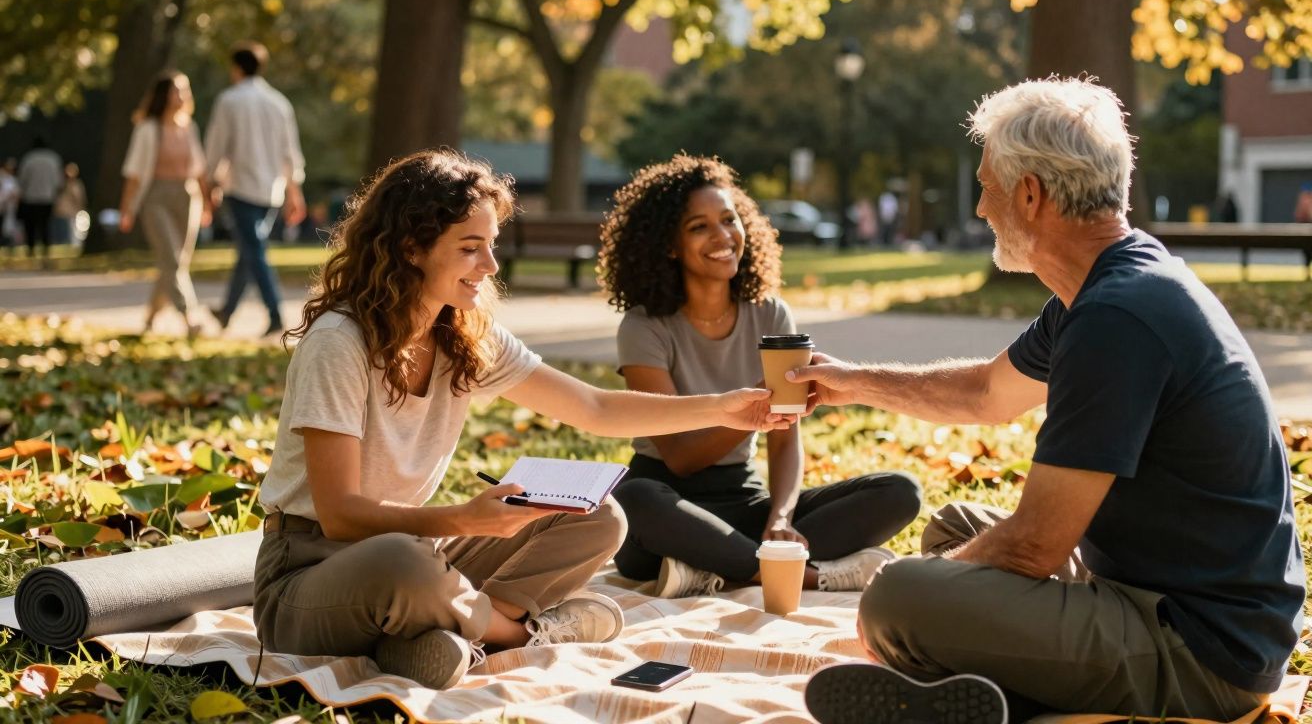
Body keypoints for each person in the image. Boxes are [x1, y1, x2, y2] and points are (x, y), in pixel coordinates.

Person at [800, 78, 1305, 724]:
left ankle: (1003, 699)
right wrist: (853, 382)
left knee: (895, 598)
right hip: (1146, 592)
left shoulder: (1117, 317)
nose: (982, 208)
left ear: (1030, 195)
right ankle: (990, 688)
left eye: (987, 187)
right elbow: (988, 390)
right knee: (953, 527)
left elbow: (1035, 546)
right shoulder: (1106, 286)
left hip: (1201, 653)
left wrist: (934, 589)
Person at [256, 149, 794, 692]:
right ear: (411, 249)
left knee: (599, 513)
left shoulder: (463, 336)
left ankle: (447, 639)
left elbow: (594, 407)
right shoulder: (338, 344)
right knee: (405, 564)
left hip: (420, 560)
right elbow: (341, 515)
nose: (490, 266)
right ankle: (519, 633)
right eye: (470, 248)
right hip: (308, 574)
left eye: (490, 245)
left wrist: (726, 407)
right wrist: (463, 519)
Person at [596, 155, 921, 599]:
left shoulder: (770, 314)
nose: (723, 236)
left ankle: (718, 567)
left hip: (742, 503)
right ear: (669, 245)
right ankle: (796, 574)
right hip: (666, 505)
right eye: (699, 227)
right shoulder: (643, 327)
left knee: (900, 492)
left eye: (729, 220)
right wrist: (760, 406)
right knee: (633, 501)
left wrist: (781, 518)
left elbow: (785, 439)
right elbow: (681, 457)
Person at [205, 40, 305, 337]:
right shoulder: (279, 103)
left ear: (236, 68)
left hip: (241, 187)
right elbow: (290, 152)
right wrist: (293, 191)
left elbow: (217, 146)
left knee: (254, 250)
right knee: (249, 250)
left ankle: (275, 313)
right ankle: (227, 311)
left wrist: (211, 181)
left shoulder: (230, 100)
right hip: (270, 190)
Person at [119, 71, 210, 337]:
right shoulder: (148, 128)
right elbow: (134, 173)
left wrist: (205, 203)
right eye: (176, 90)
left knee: (175, 263)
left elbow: (200, 169)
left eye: (185, 90)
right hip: (156, 197)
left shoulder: (189, 127)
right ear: (163, 95)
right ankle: (189, 316)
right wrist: (127, 208)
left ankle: (151, 315)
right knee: (171, 259)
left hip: (187, 196)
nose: (181, 96)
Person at [16, 137, 63, 261]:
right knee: (45, 225)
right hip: (48, 197)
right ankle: (46, 249)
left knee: (30, 225)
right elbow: (58, 181)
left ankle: (31, 249)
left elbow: (22, 179)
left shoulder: (29, 158)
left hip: (30, 197)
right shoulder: (53, 159)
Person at [52, 163, 86, 246]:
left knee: (72, 235)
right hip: (60, 214)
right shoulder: (61, 185)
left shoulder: (77, 185)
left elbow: (80, 199)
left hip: (72, 214)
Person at [0, 158, 18, 252]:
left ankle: (8, 244)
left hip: (9, 207)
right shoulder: (2, 178)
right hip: (2, 205)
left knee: (9, 227)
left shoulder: (12, 180)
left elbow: (16, 193)